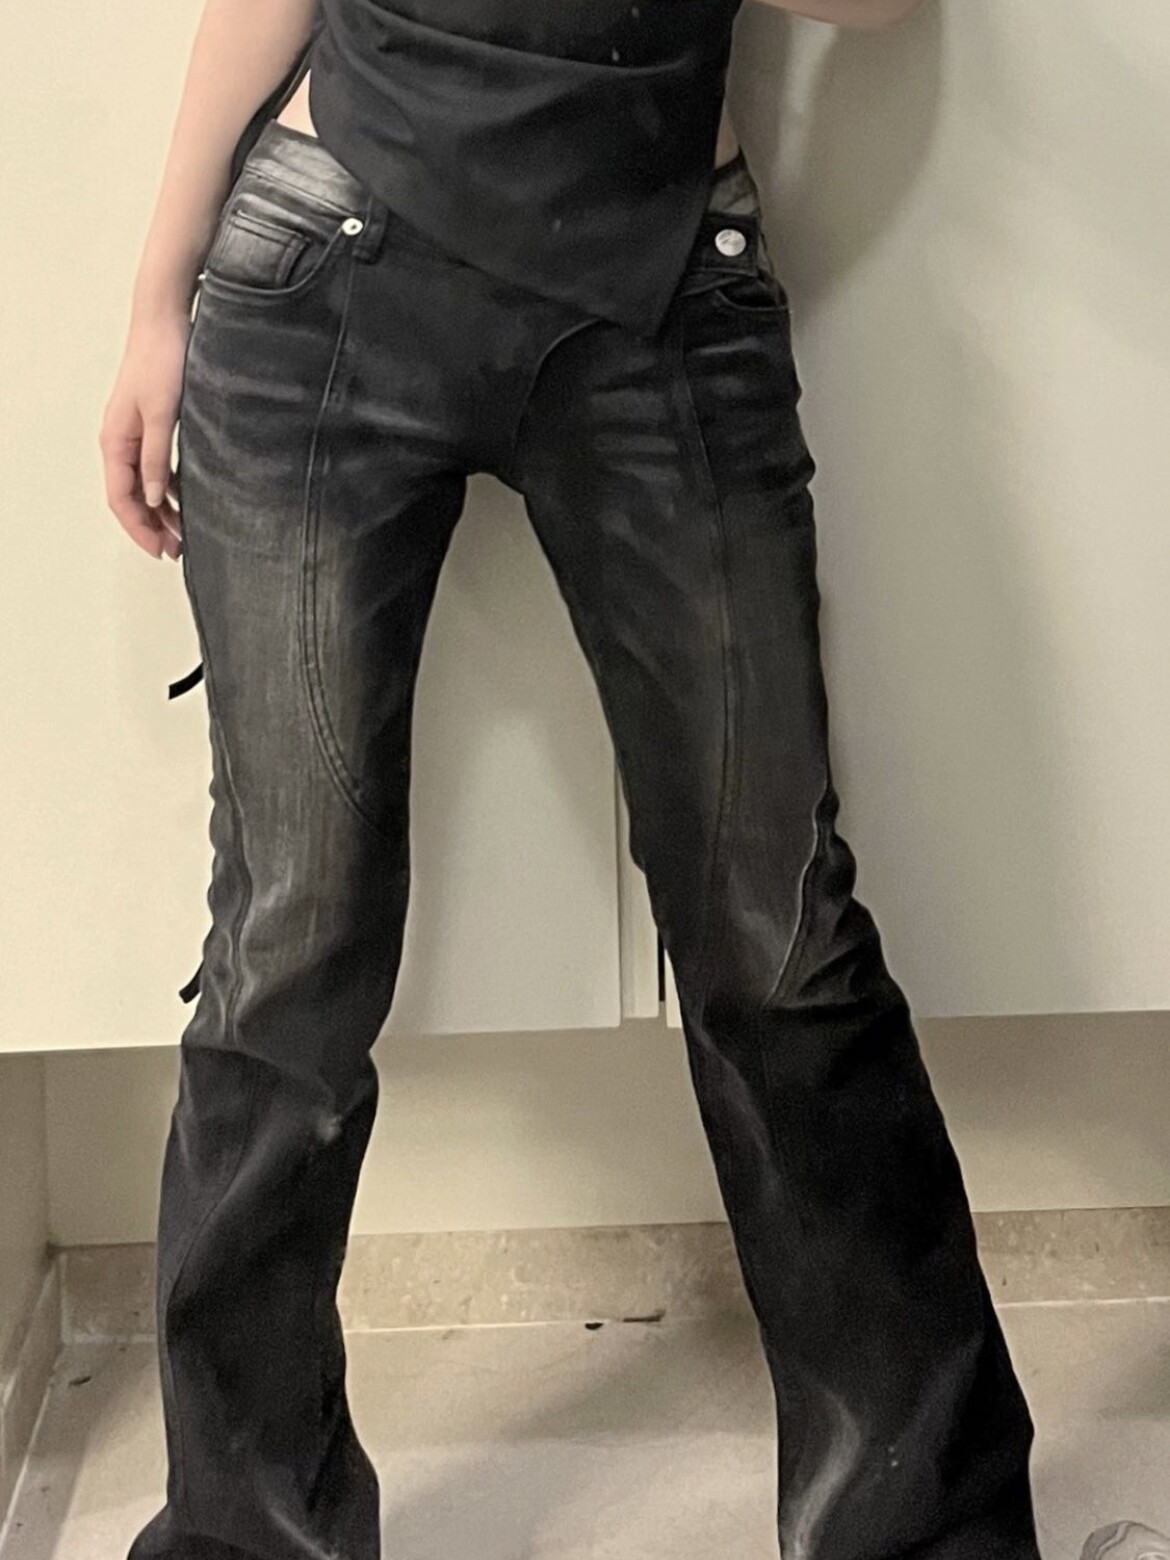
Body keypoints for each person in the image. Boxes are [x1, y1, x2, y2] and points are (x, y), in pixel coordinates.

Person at [98, 1, 1170, 1557]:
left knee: (776, 945)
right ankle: (242, 1537)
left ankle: (923, 1531)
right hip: (327, 257)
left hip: (663, 282)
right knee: (290, 949)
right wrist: (155, 294)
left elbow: (877, 8)